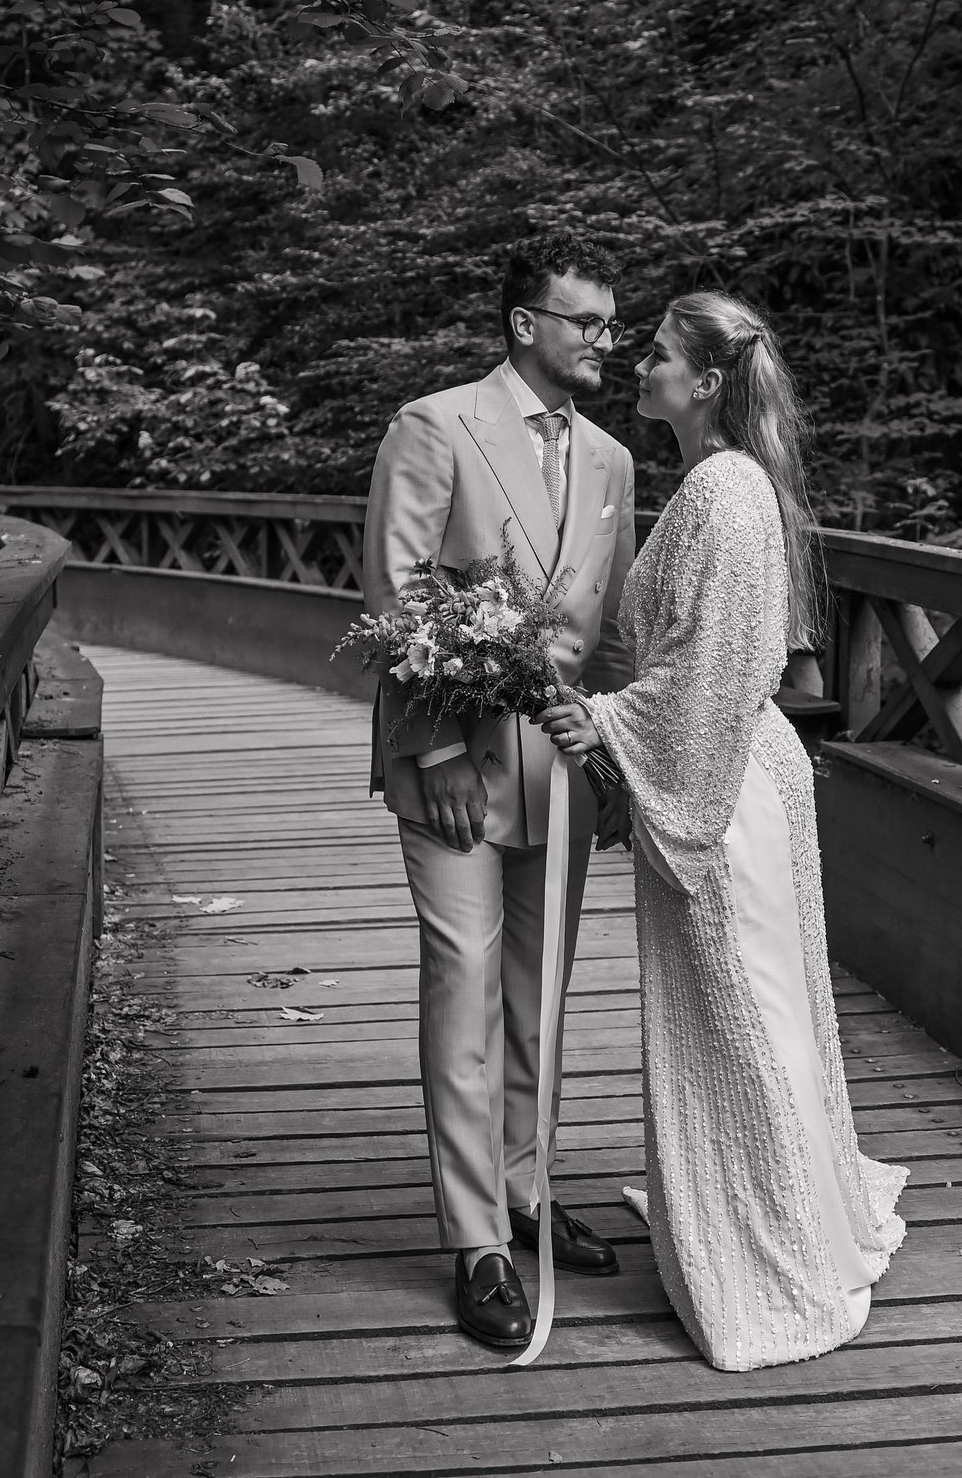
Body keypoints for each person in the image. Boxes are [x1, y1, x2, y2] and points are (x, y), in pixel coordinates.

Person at [537, 291, 908, 1370]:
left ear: (704, 381)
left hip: (727, 787)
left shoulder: (720, 490)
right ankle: (782, 1201)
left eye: (654, 353)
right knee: (761, 1010)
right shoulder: (723, 485)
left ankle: (775, 1244)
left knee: (743, 1016)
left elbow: (719, 671)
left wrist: (599, 716)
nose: (637, 365)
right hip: (740, 774)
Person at [360, 231, 641, 1348]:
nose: (604, 342)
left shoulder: (615, 461)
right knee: (462, 984)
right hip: (454, 763)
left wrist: (614, 763)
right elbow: (396, 590)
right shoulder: (435, 425)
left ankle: (526, 1195)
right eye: (585, 321)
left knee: (540, 994)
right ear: (525, 323)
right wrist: (429, 752)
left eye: (612, 325)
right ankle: (476, 1240)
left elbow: (610, 632)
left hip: (562, 770)